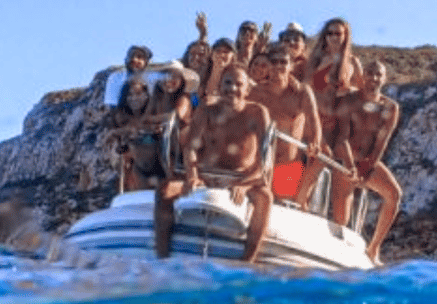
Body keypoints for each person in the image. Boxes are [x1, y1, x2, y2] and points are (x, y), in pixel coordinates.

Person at [154, 65, 273, 263]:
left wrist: (244, 185)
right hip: (206, 175)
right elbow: (191, 148)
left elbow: (265, 160)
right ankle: (162, 256)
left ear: (247, 90)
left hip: (241, 178)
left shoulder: (258, 113)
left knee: (265, 197)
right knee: (165, 189)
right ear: (219, 86)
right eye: (228, 83)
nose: (232, 89)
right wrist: (193, 176)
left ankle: (248, 260)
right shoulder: (206, 110)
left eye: (238, 84)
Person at [331, 60, 402, 265]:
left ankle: (373, 248)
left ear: (385, 79)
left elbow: (382, 142)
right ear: (362, 76)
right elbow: (342, 137)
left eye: (378, 74)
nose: (374, 78)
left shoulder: (390, 107)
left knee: (394, 194)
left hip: (368, 161)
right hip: (345, 160)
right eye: (370, 73)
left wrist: (367, 168)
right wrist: (350, 166)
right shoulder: (350, 101)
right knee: (341, 220)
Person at [295, 17, 364, 211]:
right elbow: (305, 88)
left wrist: (349, 91)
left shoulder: (353, 63)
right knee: (321, 153)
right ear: (324, 36)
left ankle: (305, 199)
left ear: (346, 36)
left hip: (335, 122)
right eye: (330, 33)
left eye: (338, 33)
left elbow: (362, 96)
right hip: (312, 115)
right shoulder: (316, 60)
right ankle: (301, 199)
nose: (334, 37)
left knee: (334, 159)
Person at [250, 43, 321, 202]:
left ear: (291, 66)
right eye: (274, 61)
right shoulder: (256, 92)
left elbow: (314, 119)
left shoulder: (302, 92)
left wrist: (315, 141)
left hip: (288, 166)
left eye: (283, 62)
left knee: (281, 207)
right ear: (268, 66)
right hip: (259, 163)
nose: (278, 66)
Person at [111, 76, 165, 191]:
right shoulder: (122, 119)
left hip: (159, 167)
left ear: (147, 95)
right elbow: (117, 143)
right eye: (130, 95)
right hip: (138, 170)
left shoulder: (155, 115)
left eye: (139, 93)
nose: (134, 98)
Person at [202, 38, 237, 103]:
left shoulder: (235, 82)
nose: (221, 55)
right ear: (211, 55)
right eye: (218, 51)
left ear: (233, 57)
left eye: (226, 52)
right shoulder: (200, 77)